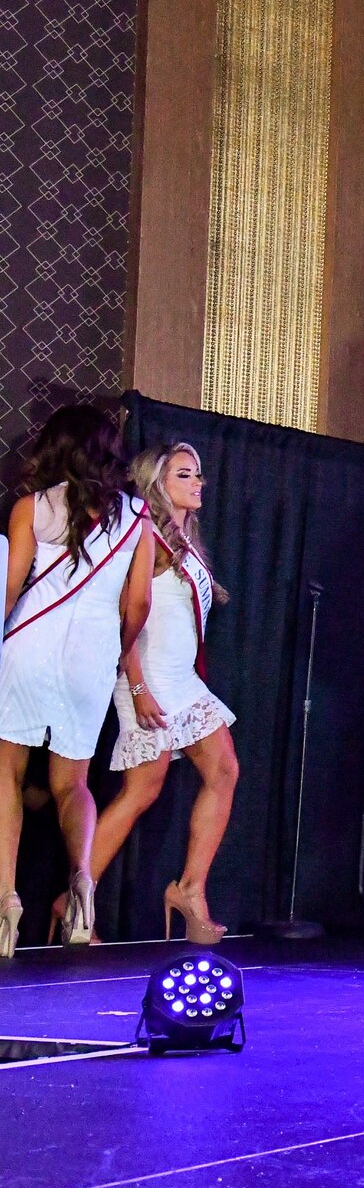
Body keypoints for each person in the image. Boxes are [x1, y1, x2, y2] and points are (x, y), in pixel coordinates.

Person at [0, 405, 155, 955]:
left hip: (28, 648)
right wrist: (117, 653)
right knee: (74, 784)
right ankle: (83, 883)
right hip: (90, 659)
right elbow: (138, 603)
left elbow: (10, 588)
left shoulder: (32, 508)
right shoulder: (138, 519)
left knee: (7, 771)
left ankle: (5, 902)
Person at [83, 444, 240, 946]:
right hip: (146, 675)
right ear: (157, 482)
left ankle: (190, 889)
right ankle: (74, 901)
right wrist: (137, 684)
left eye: (199, 474)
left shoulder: (182, 540)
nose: (199, 483)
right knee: (141, 792)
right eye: (185, 474)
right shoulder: (144, 534)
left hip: (179, 677)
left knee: (222, 770)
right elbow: (122, 615)